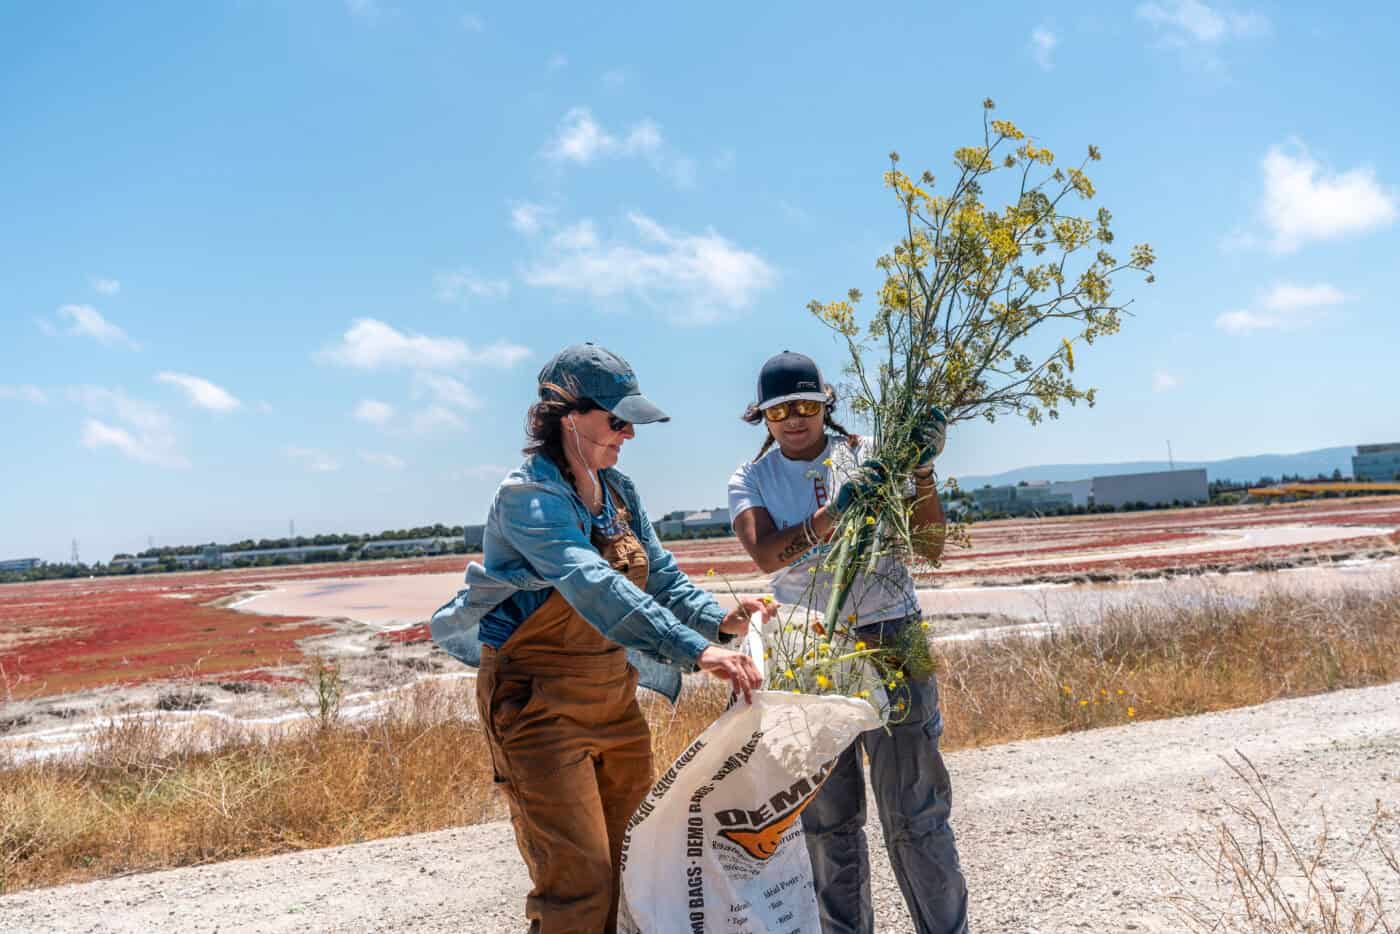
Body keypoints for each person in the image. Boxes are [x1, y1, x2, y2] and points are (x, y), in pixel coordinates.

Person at [432, 343, 770, 934]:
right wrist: (695, 650)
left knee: (637, 869)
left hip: (614, 699)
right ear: (569, 416)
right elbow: (592, 583)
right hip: (537, 707)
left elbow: (660, 577)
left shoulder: (619, 491)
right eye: (617, 421)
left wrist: (720, 621)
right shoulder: (528, 497)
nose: (629, 434)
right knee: (579, 885)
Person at [726, 350, 968, 934]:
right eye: (779, 411)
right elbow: (765, 554)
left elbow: (929, 547)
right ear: (762, 416)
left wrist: (921, 472)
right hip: (809, 648)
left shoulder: (871, 455)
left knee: (916, 813)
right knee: (828, 822)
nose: (794, 419)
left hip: (892, 637)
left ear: (826, 405)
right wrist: (830, 517)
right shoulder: (751, 479)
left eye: (806, 406)